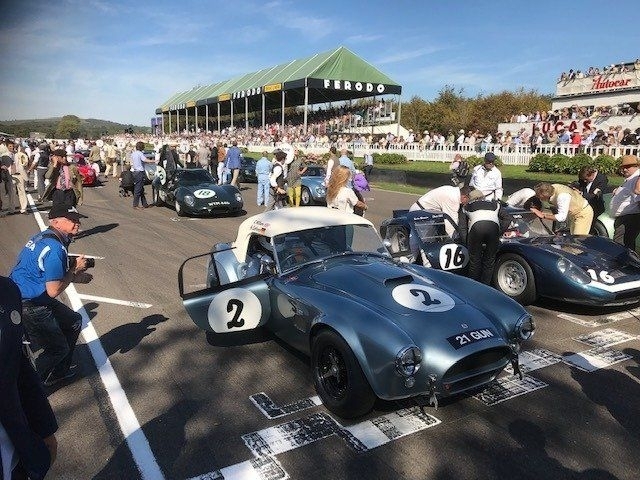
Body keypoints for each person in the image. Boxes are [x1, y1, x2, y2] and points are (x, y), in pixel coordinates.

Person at [9, 204, 89, 386]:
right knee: (57, 349)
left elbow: (45, 272)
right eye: (72, 220)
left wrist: (74, 275)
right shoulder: (54, 247)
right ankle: (26, 388)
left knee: (74, 321)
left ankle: (58, 372)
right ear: (56, 222)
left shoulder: (44, 237)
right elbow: (54, 290)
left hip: (25, 294)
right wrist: (74, 270)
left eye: (77, 219)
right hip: (30, 302)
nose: (77, 224)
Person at [0, 276, 59, 480]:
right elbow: (53, 289)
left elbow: (17, 363)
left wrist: (45, 429)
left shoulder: (6, 291)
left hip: (15, 456)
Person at [463, 191, 506, 284]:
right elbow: (508, 218)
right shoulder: (495, 205)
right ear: (482, 197)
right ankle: (486, 286)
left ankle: (473, 285)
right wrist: (500, 231)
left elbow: (462, 227)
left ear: (472, 199)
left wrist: (465, 241)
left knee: (475, 262)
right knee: (489, 261)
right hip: (493, 229)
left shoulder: (466, 207)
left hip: (476, 229)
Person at [409, 185, 474, 237]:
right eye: (468, 201)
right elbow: (450, 222)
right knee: (428, 241)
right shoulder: (453, 198)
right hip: (421, 213)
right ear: (465, 197)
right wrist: (456, 240)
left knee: (416, 239)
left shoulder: (452, 191)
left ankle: (414, 253)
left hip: (418, 210)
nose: (467, 204)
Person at [609, 155, 640, 249]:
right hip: (625, 218)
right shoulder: (631, 179)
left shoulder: (636, 178)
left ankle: (623, 264)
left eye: (628, 167)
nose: (625, 170)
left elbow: (637, 195)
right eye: (623, 167)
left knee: (620, 246)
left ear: (636, 166)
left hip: (630, 218)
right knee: (626, 245)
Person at [131, 141, 156, 209]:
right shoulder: (140, 153)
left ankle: (144, 204)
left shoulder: (133, 153)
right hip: (140, 172)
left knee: (141, 188)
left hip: (134, 171)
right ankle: (135, 205)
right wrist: (154, 161)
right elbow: (145, 160)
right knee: (138, 189)